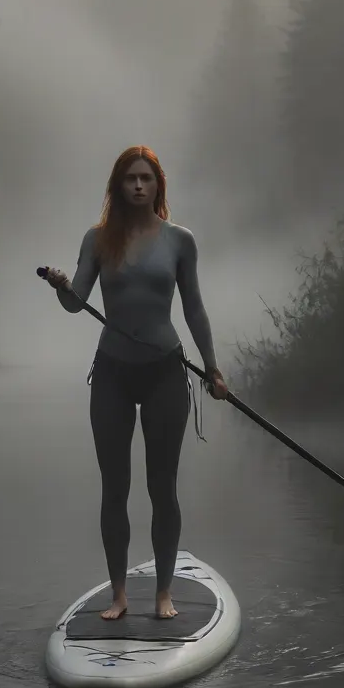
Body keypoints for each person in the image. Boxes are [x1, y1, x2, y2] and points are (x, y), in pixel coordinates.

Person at [45, 145, 228, 621]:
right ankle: (119, 595)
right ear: (118, 186)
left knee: (162, 487)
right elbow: (75, 303)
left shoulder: (179, 241)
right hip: (113, 373)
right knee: (115, 488)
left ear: (158, 185)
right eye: (131, 178)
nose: (139, 185)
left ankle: (164, 592)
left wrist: (212, 368)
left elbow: (194, 307)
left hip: (165, 371)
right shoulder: (98, 239)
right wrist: (63, 285)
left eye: (147, 178)